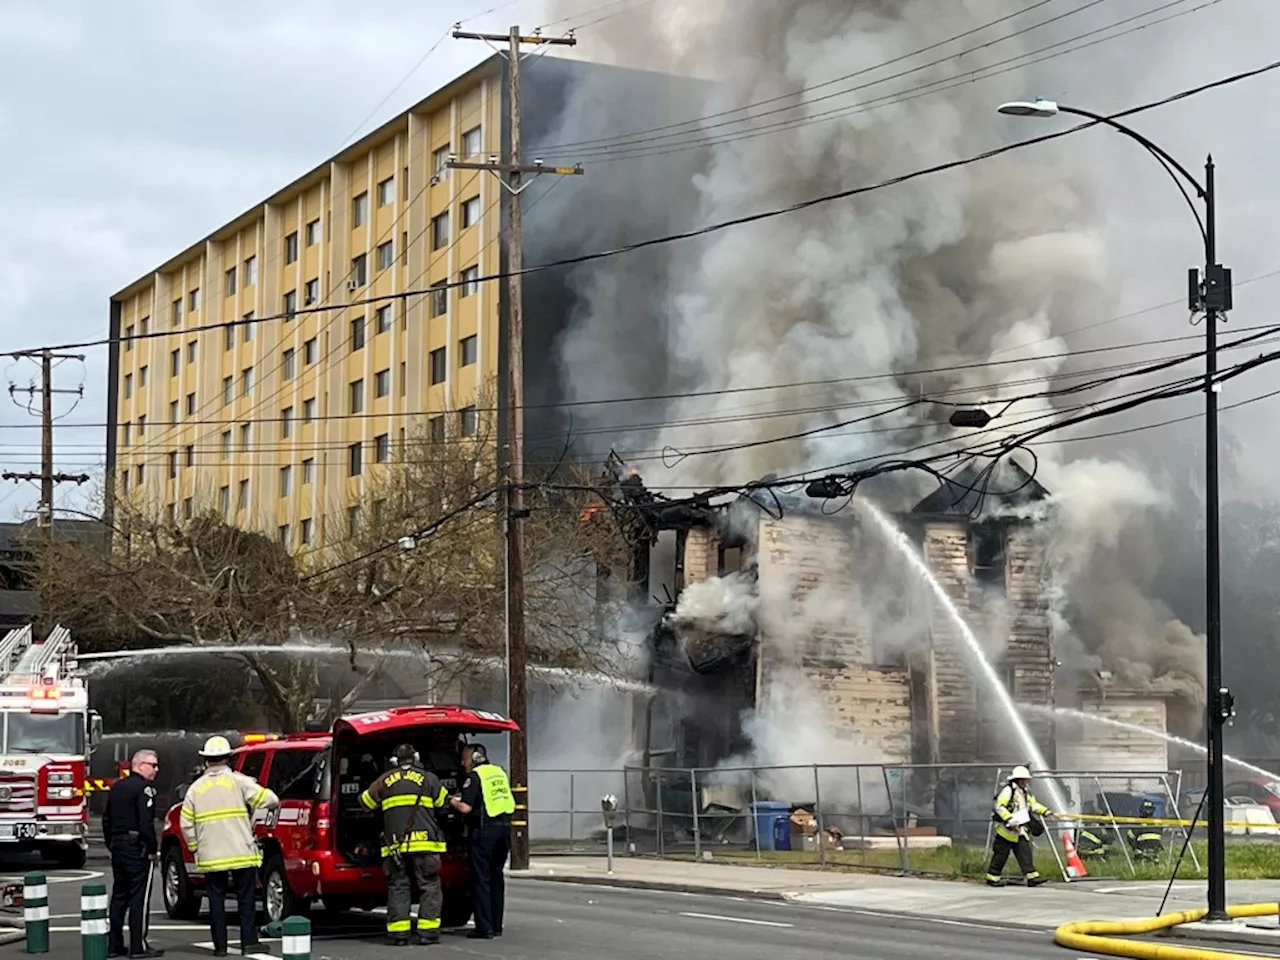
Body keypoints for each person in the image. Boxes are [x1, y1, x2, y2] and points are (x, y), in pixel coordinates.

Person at [180, 736, 278, 958]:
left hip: (211, 856)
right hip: (240, 853)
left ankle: (220, 947)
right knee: (246, 900)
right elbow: (271, 799)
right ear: (228, 759)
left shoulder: (195, 789)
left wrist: (196, 847)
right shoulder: (240, 781)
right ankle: (249, 943)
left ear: (206, 761)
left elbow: (186, 823)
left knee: (216, 900)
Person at [359, 743, 447, 946]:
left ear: (395, 761)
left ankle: (399, 934)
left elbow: (365, 802)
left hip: (395, 847)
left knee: (398, 887)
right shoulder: (428, 778)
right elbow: (442, 804)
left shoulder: (384, 780)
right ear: (415, 758)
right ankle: (428, 933)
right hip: (426, 845)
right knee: (429, 886)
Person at [449, 742, 514, 939]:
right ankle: (496, 925)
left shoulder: (474, 776)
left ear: (476, 757)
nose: (462, 763)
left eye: (465, 758)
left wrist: (449, 799)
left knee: (481, 880)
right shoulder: (498, 772)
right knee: (496, 878)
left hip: (484, 832)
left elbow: (465, 808)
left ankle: (483, 928)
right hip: (504, 830)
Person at [105, 749, 163, 959]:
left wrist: (111, 843)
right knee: (139, 898)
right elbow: (145, 823)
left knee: (119, 896)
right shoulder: (144, 789)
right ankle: (138, 946)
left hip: (118, 845)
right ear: (140, 765)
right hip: (136, 847)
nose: (156, 770)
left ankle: (114, 944)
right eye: (153, 765)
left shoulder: (117, 787)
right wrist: (152, 848)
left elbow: (106, 818)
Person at [987, 765, 1053, 888]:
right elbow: (999, 806)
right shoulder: (1008, 791)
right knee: (1001, 855)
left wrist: (1046, 811)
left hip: (1019, 830)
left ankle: (1032, 877)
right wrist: (1010, 819)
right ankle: (992, 877)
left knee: (1025, 853)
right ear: (1016, 779)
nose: (1025, 782)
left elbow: (1033, 805)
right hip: (1006, 831)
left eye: (1026, 779)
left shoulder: (1026, 792)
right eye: (1022, 779)